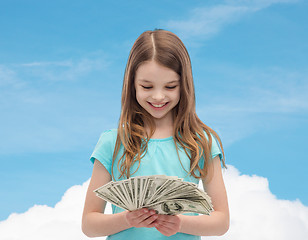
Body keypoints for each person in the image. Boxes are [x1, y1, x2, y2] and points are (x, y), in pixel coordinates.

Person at [82, 29, 229, 240]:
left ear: (184, 85)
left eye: (170, 86)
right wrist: (126, 219)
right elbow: (89, 224)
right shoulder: (112, 143)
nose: (158, 96)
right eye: (147, 86)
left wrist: (180, 223)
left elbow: (221, 221)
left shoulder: (201, 143)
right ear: (132, 84)